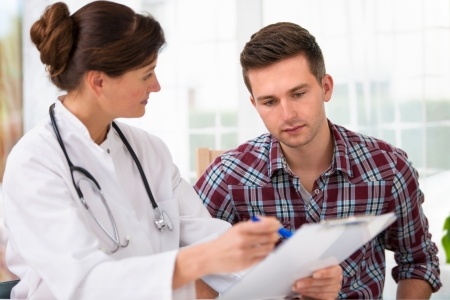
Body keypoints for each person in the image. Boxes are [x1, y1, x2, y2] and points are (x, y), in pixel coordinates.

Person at [1, 3, 343, 300]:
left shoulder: (148, 151)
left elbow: (206, 235)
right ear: (99, 82)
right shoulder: (34, 164)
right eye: (147, 74)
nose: (157, 86)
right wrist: (206, 258)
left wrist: (296, 274)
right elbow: (85, 285)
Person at [195, 22, 442, 299]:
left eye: (298, 94)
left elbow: (418, 262)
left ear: (325, 87)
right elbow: (186, 266)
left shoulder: (388, 169)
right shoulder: (229, 176)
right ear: (255, 104)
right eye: (270, 102)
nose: (287, 114)